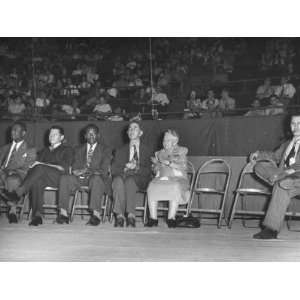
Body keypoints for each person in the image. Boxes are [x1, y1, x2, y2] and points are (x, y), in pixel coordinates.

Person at [10, 126, 73, 226]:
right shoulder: (44, 151)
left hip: (60, 179)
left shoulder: (67, 149)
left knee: (40, 167)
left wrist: (42, 165)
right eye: (50, 134)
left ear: (61, 137)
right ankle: (37, 216)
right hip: (44, 177)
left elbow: (63, 168)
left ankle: (18, 193)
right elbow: (35, 167)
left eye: (55, 134)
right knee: (37, 180)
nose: (51, 136)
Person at [251, 114, 300, 239]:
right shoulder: (287, 144)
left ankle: (280, 177)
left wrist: (286, 172)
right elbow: (274, 156)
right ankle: (271, 229)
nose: (295, 127)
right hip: (287, 181)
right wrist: (258, 154)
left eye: (299, 123)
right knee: (260, 166)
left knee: (282, 181)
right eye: (293, 124)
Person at [57, 124, 111, 225]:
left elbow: (103, 169)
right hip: (80, 178)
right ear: (84, 136)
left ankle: (96, 215)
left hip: (96, 178)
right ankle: (63, 214)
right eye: (88, 134)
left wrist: (87, 171)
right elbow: (74, 166)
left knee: (96, 179)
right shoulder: (77, 149)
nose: (91, 136)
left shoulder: (105, 149)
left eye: (93, 133)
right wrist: (75, 171)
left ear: (98, 135)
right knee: (64, 178)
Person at [111, 121, 152, 227]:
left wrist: (136, 168)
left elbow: (148, 171)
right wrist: (126, 167)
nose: (131, 130)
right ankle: (119, 216)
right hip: (123, 176)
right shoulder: (120, 150)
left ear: (141, 133)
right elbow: (114, 169)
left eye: (135, 128)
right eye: (130, 128)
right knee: (117, 181)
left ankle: (131, 215)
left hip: (140, 179)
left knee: (130, 181)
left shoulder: (147, 150)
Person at [146, 130, 189, 228]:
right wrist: (156, 165)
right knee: (151, 186)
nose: (164, 143)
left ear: (175, 142)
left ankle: (171, 218)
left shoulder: (182, 151)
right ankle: (153, 219)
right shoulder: (159, 153)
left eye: (167, 140)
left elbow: (183, 167)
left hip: (177, 178)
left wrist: (168, 163)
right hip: (162, 178)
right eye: (163, 140)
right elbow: (155, 170)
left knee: (174, 186)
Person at [0, 122, 36, 223]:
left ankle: (12, 211)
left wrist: (13, 171)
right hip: (2, 173)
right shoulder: (4, 148)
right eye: (12, 130)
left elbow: (28, 167)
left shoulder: (30, 149)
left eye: (16, 130)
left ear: (23, 133)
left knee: (12, 179)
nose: (13, 132)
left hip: (19, 175)